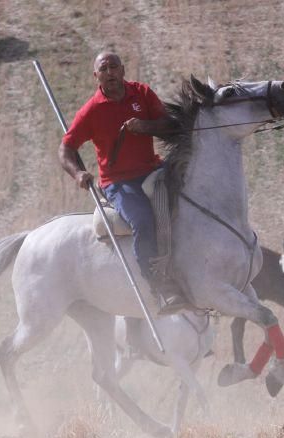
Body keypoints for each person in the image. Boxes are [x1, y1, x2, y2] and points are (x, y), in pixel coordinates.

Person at [59, 51, 186, 313]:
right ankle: (160, 286)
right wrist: (78, 173)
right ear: (96, 76)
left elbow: (169, 126)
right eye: (103, 69)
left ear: (123, 69)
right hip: (118, 182)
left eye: (113, 66)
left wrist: (145, 127)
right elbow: (66, 149)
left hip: (152, 169)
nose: (109, 72)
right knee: (142, 221)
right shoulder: (91, 111)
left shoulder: (142, 93)